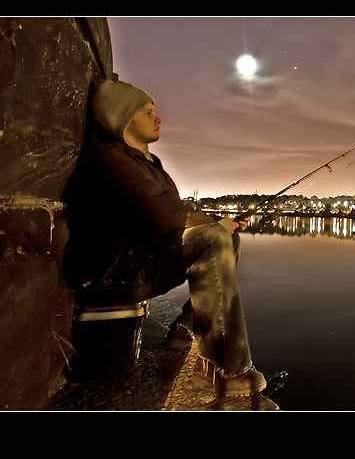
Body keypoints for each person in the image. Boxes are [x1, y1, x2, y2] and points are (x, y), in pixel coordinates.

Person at [63, 79, 265, 397]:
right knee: (213, 240)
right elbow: (163, 215)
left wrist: (222, 225)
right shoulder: (108, 159)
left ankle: (185, 331)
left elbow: (172, 210)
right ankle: (232, 369)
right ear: (122, 118)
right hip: (107, 275)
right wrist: (215, 229)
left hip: (135, 263)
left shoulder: (149, 163)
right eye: (148, 112)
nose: (159, 119)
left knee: (226, 240)